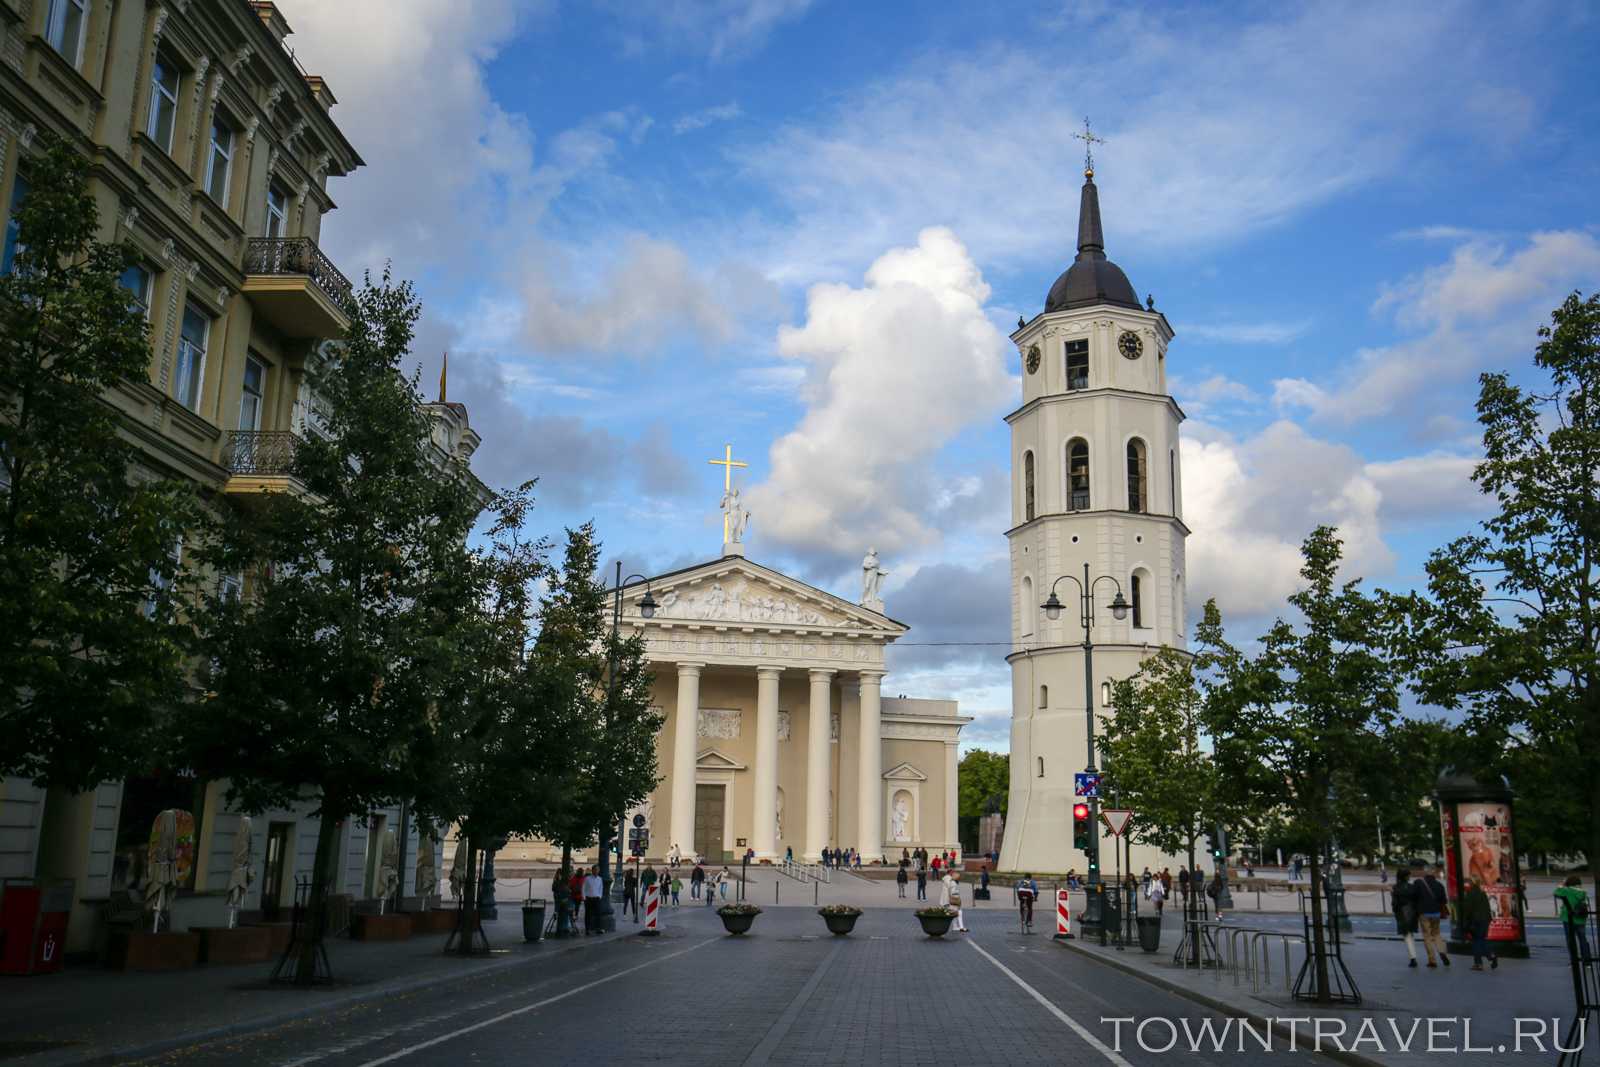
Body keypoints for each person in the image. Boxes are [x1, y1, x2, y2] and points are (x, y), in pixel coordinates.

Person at [1418, 866, 1450, 967]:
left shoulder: (1419, 884)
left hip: (1424, 913)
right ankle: (1442, 952)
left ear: (1425, 873)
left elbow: (1414, 897)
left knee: (1427, 936)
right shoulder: (1439, 885)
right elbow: (1444, 901)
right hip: (1436, 913)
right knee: (1436, 934)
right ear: (1434, 873)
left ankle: (1432, 960)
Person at [1462, 877, 1496, 971]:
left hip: (1475, 922)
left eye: (1467, 883)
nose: (1465, 885)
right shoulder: (1482, 892)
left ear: (1471, 884)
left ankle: (1479, 963)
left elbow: (1467, 911)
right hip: (1485, 920)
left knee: (1477, 941)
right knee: (1481, 940)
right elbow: (1487, 907)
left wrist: (1465, 925)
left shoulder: (1470, 894)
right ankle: (1491, 956)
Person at [1555, 874, 1592, 961]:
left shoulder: (1567, 891)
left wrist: (1562, 885)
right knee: (1582, 939)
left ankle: (1574, 960)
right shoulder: (1583, 892)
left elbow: (1556, 893)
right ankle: (1586, 960)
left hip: (1568, 918)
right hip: (1580, 918)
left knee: (1570, 940)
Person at [1391, 868, 1419, 967]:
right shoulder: (1412, 887)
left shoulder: (1396, 888)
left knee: (1407, 936)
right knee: (1410, 935)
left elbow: (1394, 903)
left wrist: (1396, 911)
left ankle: (1413, 958)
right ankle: (1413, 957)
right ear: (1407, 877)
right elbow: (1417, 900)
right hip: (1412, 912)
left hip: (1402, 913)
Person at [582, 867, 604, 935]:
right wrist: (584, 897)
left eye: (597, 870)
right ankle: (587, 929)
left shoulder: (600, 879)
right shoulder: (587, 878)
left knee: (598, 914)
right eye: (595, 870)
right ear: (592, 870)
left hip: (596, 898)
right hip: (588, 899)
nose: (596, 871)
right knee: (588, 915)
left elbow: (601, 888)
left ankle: (598, 928)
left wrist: (599, 896)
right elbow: (583, 888)